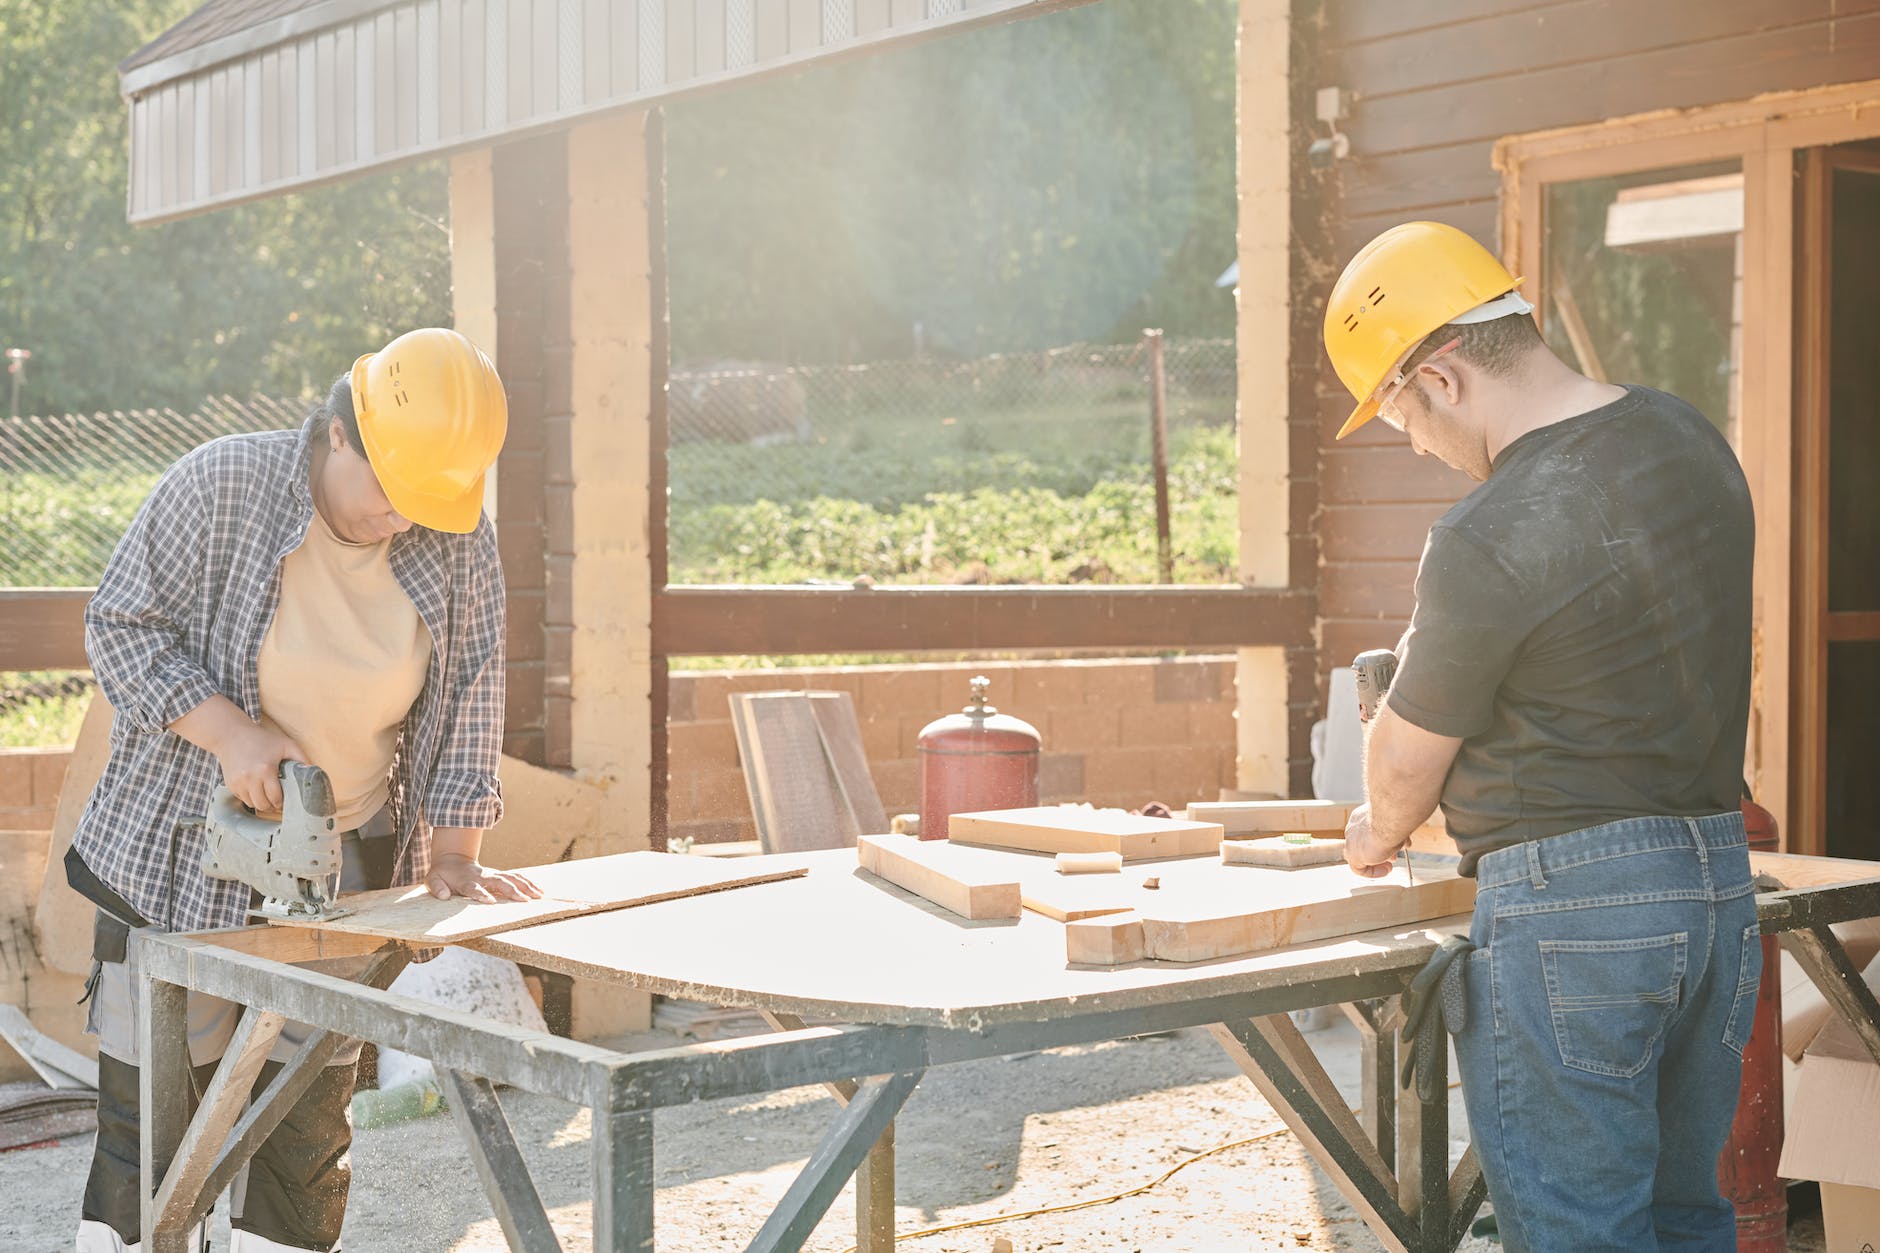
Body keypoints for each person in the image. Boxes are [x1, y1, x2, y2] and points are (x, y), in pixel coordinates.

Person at [1324, 222, 1759, 1252]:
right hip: (1716, 883)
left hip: (1573, 910)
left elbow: (1400, 768)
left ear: (1441, 374)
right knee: (1683, 1214)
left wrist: (1371, 829)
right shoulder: (1687, 437)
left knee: (1578, 1231)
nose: (1409, 439)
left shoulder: (1491, 526)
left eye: (1396, 409)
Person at [68, 327, 544, 1253]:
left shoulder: (456, 538)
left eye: (425, 503)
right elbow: (119, 626)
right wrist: (232, 734)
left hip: (339, 862)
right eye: (390, 492)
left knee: (306, 1126)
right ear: (339, 433)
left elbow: (473, 686)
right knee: (157, 1129)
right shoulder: (220, 487)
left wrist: (453, 852)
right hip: (174, 852)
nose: (403, 519)